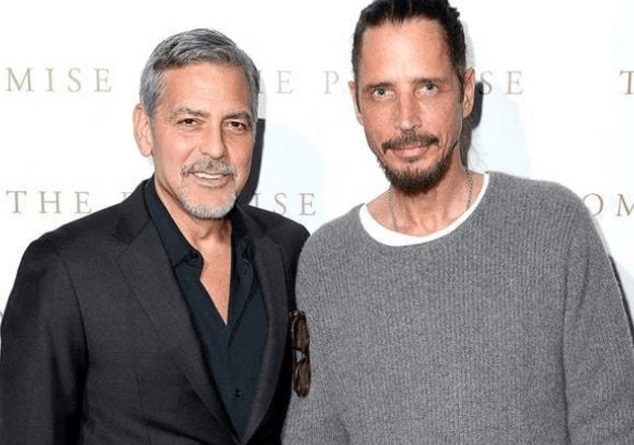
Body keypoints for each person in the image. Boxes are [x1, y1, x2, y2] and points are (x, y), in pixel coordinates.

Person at [282, 0, 634, 443]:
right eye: (382, 92)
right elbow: (315, 433)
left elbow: (612, 424)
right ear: (356, 101)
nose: (406, 119)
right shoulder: (327, 259)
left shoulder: (553, 227)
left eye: (427, 87)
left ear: (465, 92)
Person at [0, 28, 309, 444]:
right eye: (190, 122)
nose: (216, 148)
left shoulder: (289, 248)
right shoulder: (65, 267)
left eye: (235, 124)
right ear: (145, 129)